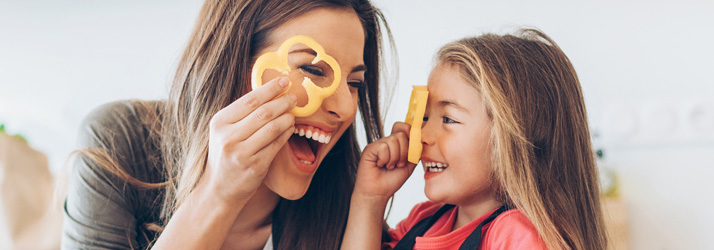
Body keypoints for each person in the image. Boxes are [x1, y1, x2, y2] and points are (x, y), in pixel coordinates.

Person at [62, 0, 392, 249]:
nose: (346, 108)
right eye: (313, 70)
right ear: (233, 61)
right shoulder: (118, 139)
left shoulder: (352, 207)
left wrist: (368, 205)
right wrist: (219, 193)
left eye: (355, 84)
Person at [341, 29, 607, 250]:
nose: (421, 135)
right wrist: (370, 198)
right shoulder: (423, 220)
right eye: (423, 118)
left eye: (448, 119)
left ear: (514, 139)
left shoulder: (516, 236)